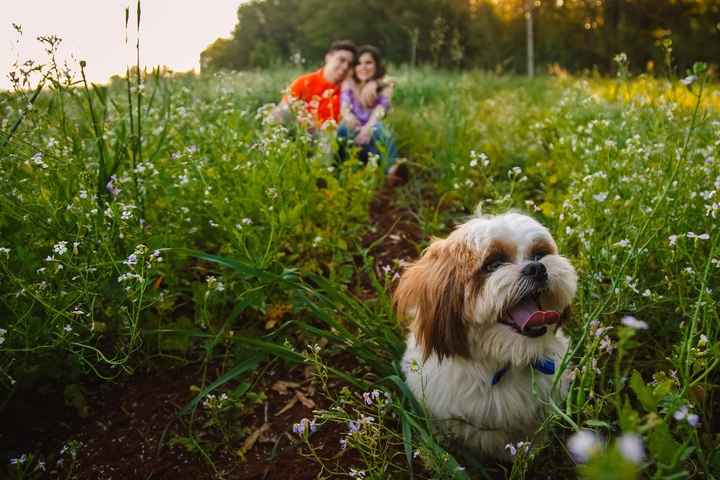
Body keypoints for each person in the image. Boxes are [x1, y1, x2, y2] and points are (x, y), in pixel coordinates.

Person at [337, 45, 407, 185]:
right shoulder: (348, 83)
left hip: (372, 134)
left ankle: (392, 171)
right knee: (342, 128)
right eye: (359, 63)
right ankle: (341, 170)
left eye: (368, 63)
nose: (363, 67)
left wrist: (368, 128)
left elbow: (380, 111)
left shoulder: (384, 86)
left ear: (376, 65)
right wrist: (350, 118)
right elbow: (344, 108)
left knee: (381, 130)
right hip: (352, 131)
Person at [273, 40, 356, 128]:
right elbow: (280, 113)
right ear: (328, 57)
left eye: (350, 64)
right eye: (341, 60)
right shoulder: (304, 82)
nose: (345, 67)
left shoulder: (348, 91)